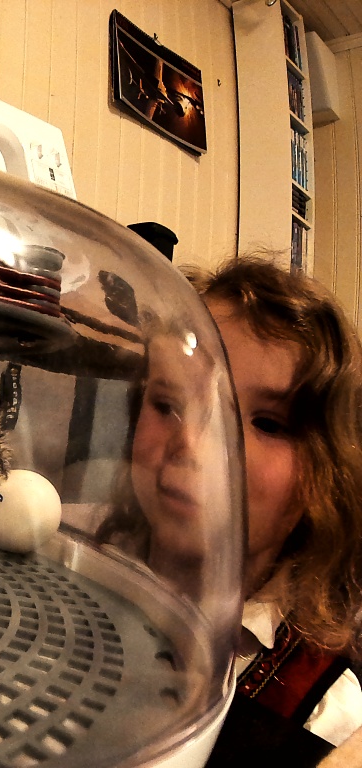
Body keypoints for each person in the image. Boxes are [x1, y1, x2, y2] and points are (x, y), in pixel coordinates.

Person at [100, 256, 362, 763]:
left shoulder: (327, 714)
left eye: (267, 423)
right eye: (168, 404)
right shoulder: (77, 549)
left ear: (326, 473)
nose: (194, 443)